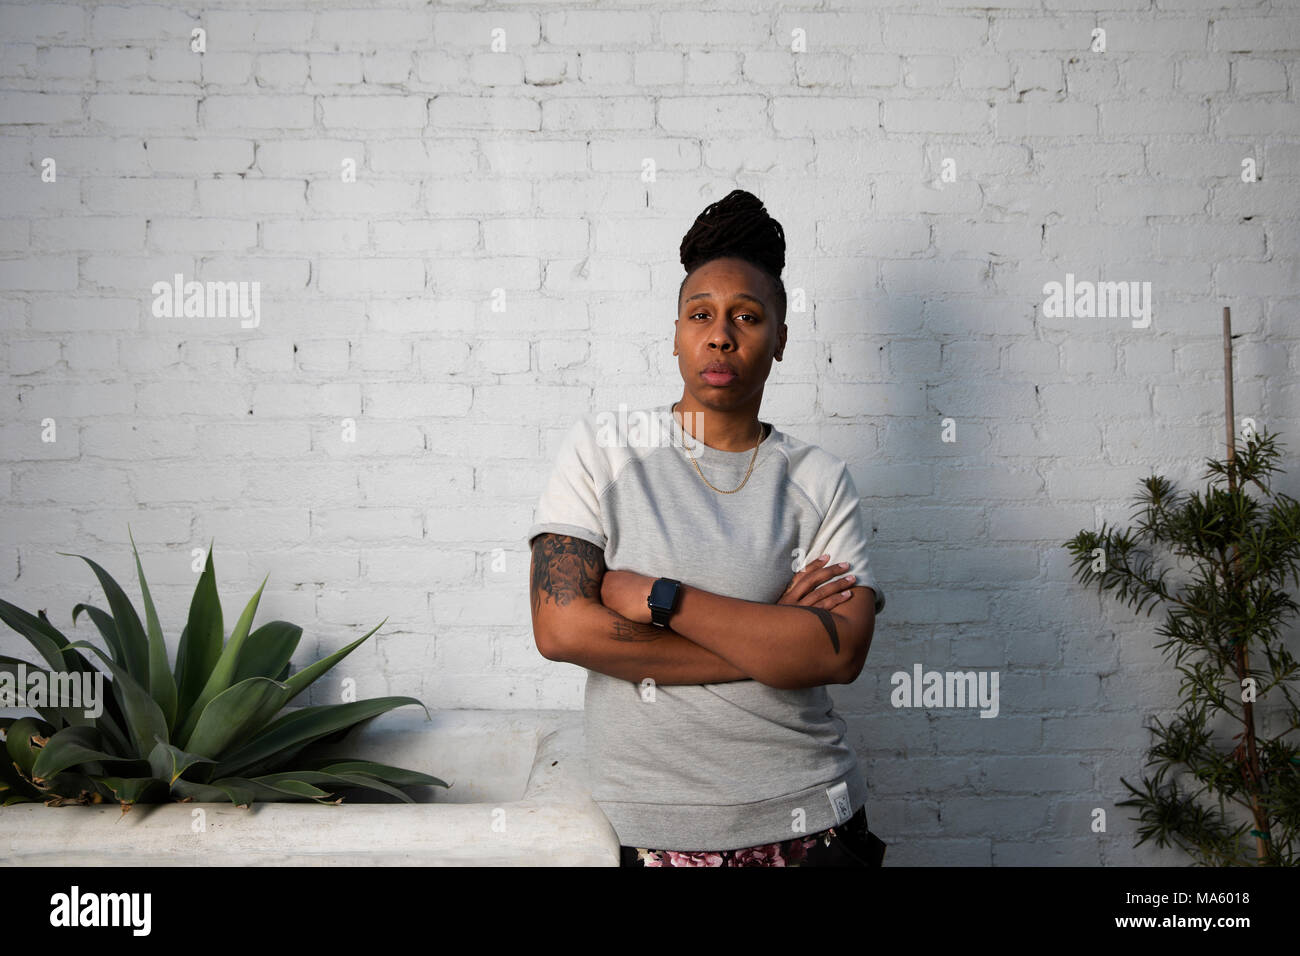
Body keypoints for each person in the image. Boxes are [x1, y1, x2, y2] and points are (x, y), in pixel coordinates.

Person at [526, 189, 887, 867]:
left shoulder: (818, 479)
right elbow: (561, 629)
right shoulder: (603, 451)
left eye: (748, 317)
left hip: (812, 825)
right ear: (677, 334)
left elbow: (839, 654)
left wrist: (666, 600)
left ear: (780, 338)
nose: (721, 333)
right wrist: (771, 640)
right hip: (656, 835)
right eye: (702, 314)